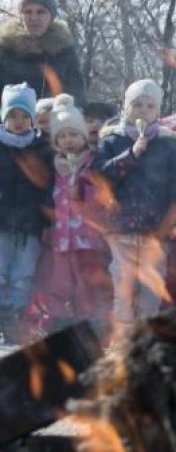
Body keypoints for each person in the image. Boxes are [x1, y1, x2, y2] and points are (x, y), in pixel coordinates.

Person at [94, 79, 176, 337]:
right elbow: (102, 178)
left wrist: (173, 224)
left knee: (151, 288)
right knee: (122, 284)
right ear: (125, 107)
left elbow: (175, 187)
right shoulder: (111, 140)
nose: (143, 110)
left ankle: (146, 338)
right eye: (137, 104)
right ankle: (122, 338)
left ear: (158, 111)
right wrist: (131, 154)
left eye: (149, 105)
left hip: (155, 231)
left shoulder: (169, 144)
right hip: (120, 227)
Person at [28, 94, 111, 341]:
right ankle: (57, 323)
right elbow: (47, 198)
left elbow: (100, 197)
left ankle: (89, 324)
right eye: (62, 136)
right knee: (59, 283)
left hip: (88, 238)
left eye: (73, 134)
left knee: (88, 284)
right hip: (62, 237)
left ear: (83, 136)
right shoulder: (55, 166)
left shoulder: (93, 162)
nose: (68, 140)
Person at [0, 83, 53, 343]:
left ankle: (14, 318)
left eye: (24, 116)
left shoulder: (42, 149)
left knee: (23, 274)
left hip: (31, 224)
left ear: (32, 118)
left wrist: (46, 221)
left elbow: (48, 189)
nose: (18, 122)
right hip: (1, 224)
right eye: (13, 116)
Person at [0, 0, 86, 103]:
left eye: (41, 12)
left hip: (53, 119)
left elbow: (77, 96)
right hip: (11, 120)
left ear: (51, 15)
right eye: (28, 12)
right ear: (20, 15)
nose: (34, 18)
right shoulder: (5, 48)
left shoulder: (64, 50)